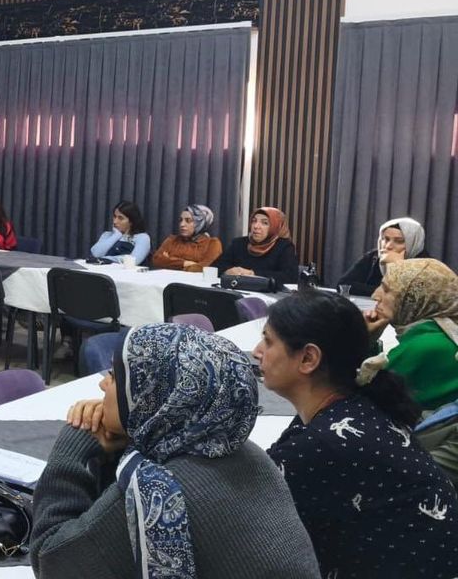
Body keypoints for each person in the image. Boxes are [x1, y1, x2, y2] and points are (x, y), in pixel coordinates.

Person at [31, 323, 319, 578]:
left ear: (151, 397)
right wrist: (125, 446)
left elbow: (51, 561)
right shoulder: (245, 453)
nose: (102, 384)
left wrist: (74, 442)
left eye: (117, 377)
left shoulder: (157, 487)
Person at [256, 290, 458, 578]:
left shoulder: (317, 447)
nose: (257, 352)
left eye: (268, 341)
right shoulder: (364, 404)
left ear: (308, 358)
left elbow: (251, 535)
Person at [362, 258, 458, 481]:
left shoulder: (425, 346)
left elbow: (358, 397)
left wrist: (364, 340)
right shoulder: (441, 333)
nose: (375, 295)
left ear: (414, 298)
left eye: (387, 289)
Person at [337, 217, 427, 296]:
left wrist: (400, 266)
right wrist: (384, 291)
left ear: (413, 243)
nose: (388, 246)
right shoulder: (375, 257)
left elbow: (416, 296)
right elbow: (343, 285)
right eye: (386, 239)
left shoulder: (426, 265)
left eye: (399, 241)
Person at [213, 206, 300, 283]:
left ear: (276, 227)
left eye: (264, 223)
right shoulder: (239, 243)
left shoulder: (284, 247)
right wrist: (227, 271)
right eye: (254, 221)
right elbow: (215, 268)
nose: (256, 226)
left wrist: (252, 274)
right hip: (235, 290)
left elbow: (290, 277)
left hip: (268, 294)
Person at [150, 204, 222, 272]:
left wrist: (169, 261)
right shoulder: (172, 240)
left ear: (200, 223)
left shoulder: (212, 244)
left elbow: (204, 269)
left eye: (188, 221)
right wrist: (185, 263)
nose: (182, 224)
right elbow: (156, 260)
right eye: (180, 220)